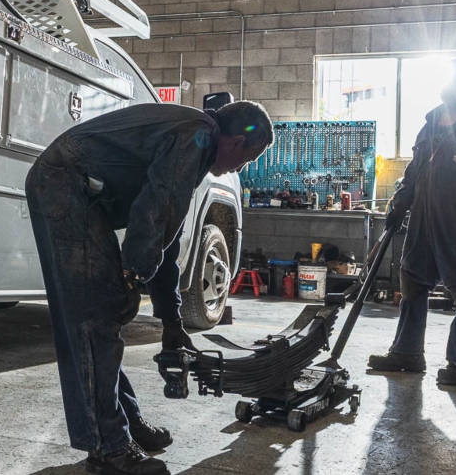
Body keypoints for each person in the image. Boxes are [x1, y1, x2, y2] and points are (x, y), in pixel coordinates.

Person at [26, 101, 273, 475]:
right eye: (248, 158)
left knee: (102, 319)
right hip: (63, 184)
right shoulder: (196, 134)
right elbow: (155, 210)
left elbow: (167, 235)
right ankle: (109, 448)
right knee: (95, 319)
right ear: (236, 141)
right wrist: (133, 275)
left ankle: (125, 426)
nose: (241, 169)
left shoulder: (196, 143)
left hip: (76, 191)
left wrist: (171, 319)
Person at [367, 59, 456, 387]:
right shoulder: (432, 121)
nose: (448, 88)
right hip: (423, 218)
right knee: (412, 282)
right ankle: (407, 353)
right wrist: (400, 201)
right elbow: (415, 170)